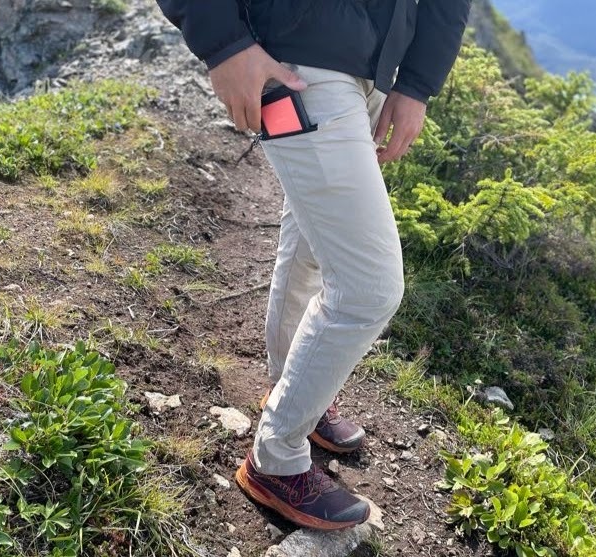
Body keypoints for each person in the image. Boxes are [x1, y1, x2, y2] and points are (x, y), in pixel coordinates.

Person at [156, 0, 470, 530]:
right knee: (368, 288)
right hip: (297, 64)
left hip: (367, 70)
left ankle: (290, 389)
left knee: (307, 249)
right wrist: (223, 43)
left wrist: (415, 82)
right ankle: (275, 460)